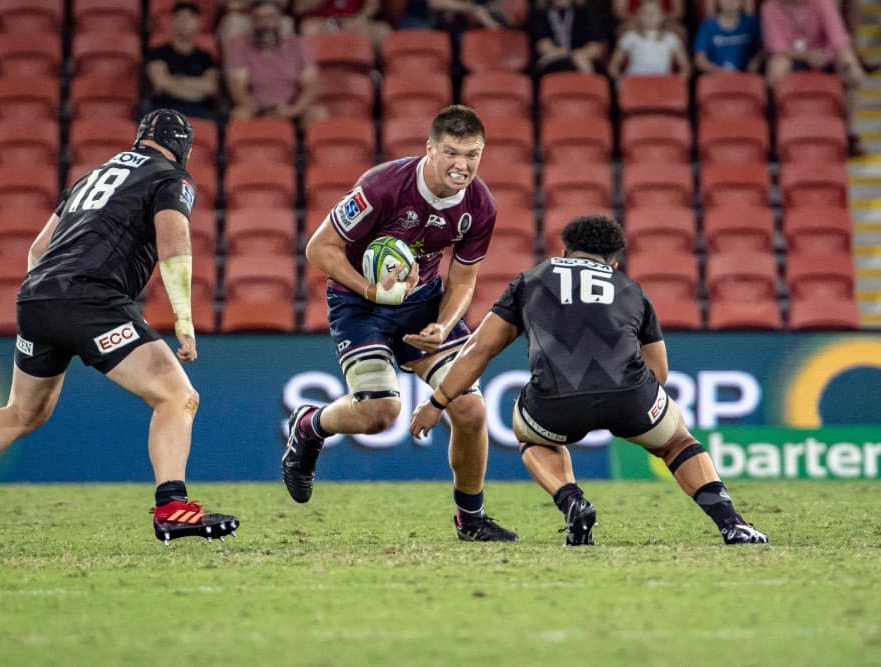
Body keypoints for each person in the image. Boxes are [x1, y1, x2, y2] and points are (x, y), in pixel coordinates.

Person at [0, 109, 240, 546]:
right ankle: (172, 507)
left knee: (22, 412)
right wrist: (183, 316)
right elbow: (174, 238)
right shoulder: (169, 177)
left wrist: (49, 305)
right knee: (177, 397)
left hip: (37, 296)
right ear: (183, 147)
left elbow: (37, 249)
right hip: (91, 298)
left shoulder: (91, 177)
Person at [408, 214, 769, 546]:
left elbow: (477, 352)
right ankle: (731, 523)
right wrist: (630, 407)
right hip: (630, 395)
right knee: (677, 442)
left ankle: (573, 502)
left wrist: (436, 402)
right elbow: (659, 371)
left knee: (533, 438)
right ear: (614, 261)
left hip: (554, 402)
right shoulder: (632, 289)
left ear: (564, 251)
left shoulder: (530, 281)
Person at [282, 105, 519, 542]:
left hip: (424, 303)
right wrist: (371, 290)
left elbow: (464, 278)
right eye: (451, 152)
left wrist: (445, 325)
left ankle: (471, 519)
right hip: (358, 303)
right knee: (379, 414)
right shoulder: (383, 186)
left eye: (472, 154)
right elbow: (320, 248)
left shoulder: (480, 205)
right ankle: (309, 426)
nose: (462, 165)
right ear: (429, 148)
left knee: (471, 409)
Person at [760, 0, 865, 156]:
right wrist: (806, 56)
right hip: (792, 56)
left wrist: (840, 59)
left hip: (824, 54)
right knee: (776, 67)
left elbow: (838, 39)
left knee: (851, 68)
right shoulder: (770, 7)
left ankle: (849, 133)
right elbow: (776, 46)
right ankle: (775, 133)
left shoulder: (822, 3)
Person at [224, 0, 328, 125]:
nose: (266, 24)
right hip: (258, 109)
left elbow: (310, 86)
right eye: (259, 18)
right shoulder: (240, 47)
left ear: (280, 20)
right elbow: (238, 90)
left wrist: (293, 109)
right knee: (239, 115)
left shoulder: (298, 45)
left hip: (293, 107)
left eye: (271, 17)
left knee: (318, 114)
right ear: (252, 22)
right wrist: (263, 111)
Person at [145, 2, 221, 120]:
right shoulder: (158, 52)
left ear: (198, 23)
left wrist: (176, 81)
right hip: (164, 107)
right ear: (172, 21)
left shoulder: (205, 57)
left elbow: (210, 87)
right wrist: (196, 86)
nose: (185, 22)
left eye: (190, 18)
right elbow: (160, 83)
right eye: (180, 17)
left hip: (198, 109)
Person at [608, 0, 691, 81]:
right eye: (645, 13)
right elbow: (613, 66)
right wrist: (622, 80)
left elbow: (685, 66)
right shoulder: (629, 37)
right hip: (635, 81)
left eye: (654, 13)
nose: (650, 16)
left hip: (663, 82)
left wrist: (677, 83)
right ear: (638, 16)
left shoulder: (672, 39)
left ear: (662, 16)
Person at [529, 0, 607, 76]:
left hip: (581, 61)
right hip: (555, 65)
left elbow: (595, 47)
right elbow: (544, 47)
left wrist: (576, 56)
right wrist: (573, 56)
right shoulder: (540, 12)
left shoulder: (586, 10)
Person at [693, 0, 762, 74]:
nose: (730, 1)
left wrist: (756, 61)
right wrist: (719, 71)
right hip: (716, 77)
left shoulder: (751, 23)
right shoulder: (708, 25)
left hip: (745, 76)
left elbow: (764, 49)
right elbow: (699, 60)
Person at [293, 0, 392, 48]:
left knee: (383, 31)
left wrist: (361, 18)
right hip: (324, 23)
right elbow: (299, 8)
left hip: (354, 21)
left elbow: (373, 4)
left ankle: (376, 75)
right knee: (309, 29)